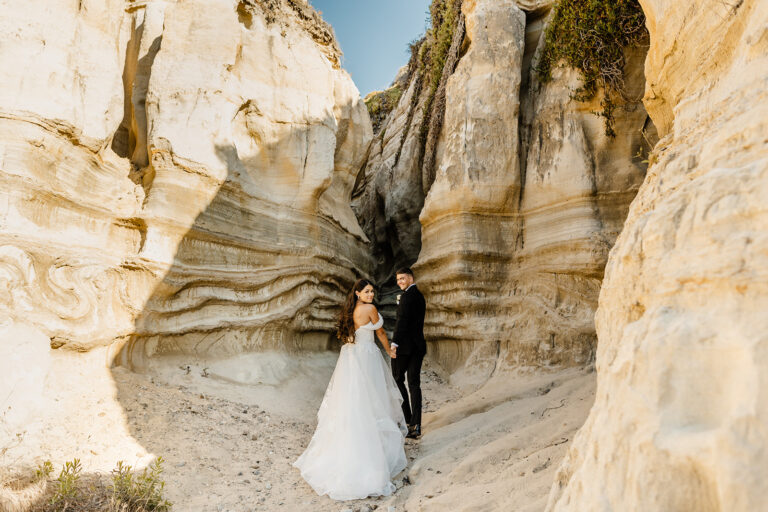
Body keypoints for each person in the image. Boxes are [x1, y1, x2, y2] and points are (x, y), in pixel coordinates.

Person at [294, 279, 408, 500]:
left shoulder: (350, 310)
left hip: (350, 356)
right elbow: (381, 333)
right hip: (366, 357)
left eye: (372, 291)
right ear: (357, 293)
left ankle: (346, 450)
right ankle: (373, 454)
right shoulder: (370, 309)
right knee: (372, 399)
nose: (370, 294)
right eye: (366, 291)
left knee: (352, 400)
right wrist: (390, 352)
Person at [391, 267, 426, 439]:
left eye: (402, 279)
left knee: (397, 377)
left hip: (405, 347)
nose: (400, 282)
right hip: (418, 346)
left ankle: (407, 419)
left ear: (411, 278)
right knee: (414, 383)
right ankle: (416, 424)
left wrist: (394, 343)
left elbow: (402, 322)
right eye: (398, 280)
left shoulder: (406, 297)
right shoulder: (419, 295)